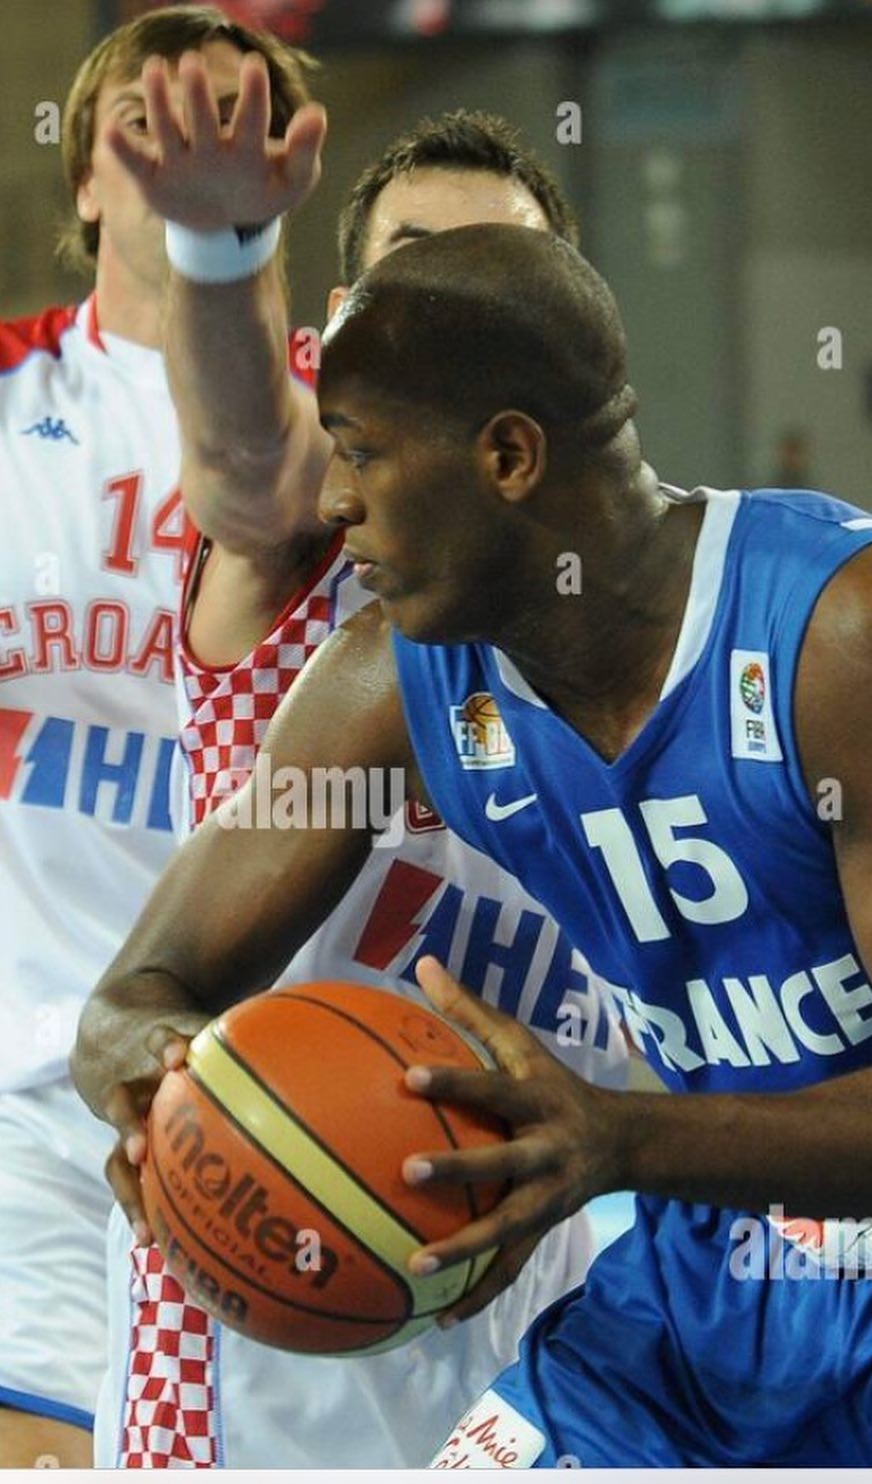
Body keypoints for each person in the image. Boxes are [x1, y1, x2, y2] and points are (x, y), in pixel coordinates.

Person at [78, 223, 872, 1467]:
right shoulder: (392, 679)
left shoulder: (857, 631)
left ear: (507, 455)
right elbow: (136, 990)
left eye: (362, 451)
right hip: (737, 1245)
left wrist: (617, 1136)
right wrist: (172, 1088)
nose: (335, 500)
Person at [71, 51, 630, 1468]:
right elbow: (245, 459)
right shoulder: (303, 553)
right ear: (338, 334)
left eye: (494, 268)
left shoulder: (649, 611)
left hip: (532, 1320)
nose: (450, 303)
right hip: (256, 1326)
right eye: (412, 267)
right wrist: (220, 255)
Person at [0, 6, 313, 1466]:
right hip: (27, 1082)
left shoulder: (342, 423)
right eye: (148, 123)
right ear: (82, 177)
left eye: (231, 122)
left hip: (282, 1092)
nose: (191, 153)